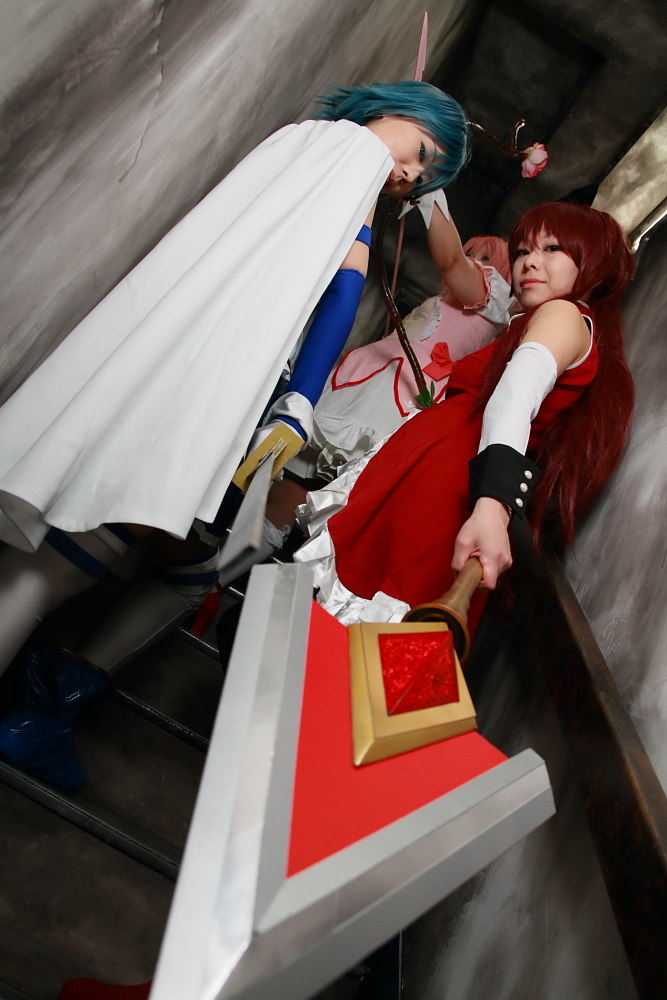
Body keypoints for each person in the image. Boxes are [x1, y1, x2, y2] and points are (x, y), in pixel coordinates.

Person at [0, 81, 471, 790]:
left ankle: (50, 704)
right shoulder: (348, 154)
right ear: (400, 111)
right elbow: (324, 297)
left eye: (425, 178)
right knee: (75, 555)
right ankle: (42, 711)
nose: (410, 175)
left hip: (225, 383)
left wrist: (293, 398)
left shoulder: (324, 154)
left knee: (180, 553)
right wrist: (296, 400)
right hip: (215, 382)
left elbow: (324, 291)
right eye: (423, 154)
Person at [293, 201, 634, 631]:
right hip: (429, 477)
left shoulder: (565, 313)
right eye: (523, 250)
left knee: (366, 634)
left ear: (594, 265)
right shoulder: (535, 321)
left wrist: (492, 507)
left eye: (552, 248)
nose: (529, 261)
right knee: (348, 634)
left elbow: (517, 393)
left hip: (447, 490)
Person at [264, 224, 512, 535]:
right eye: (469, 252)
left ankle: (293, 559)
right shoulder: (448, 296)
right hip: (373, 375)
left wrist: (431, 199)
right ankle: (239, 556)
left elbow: (451, 260)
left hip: (406, 393)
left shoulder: (496, 299)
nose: (473, 260)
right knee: (302, 471)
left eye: (486, 258)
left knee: (345, 496)